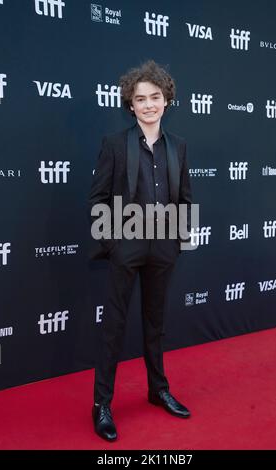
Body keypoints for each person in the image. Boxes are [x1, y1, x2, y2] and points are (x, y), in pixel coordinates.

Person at [88, 60, 193, 441]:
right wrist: (114, 246)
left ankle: (158, 389)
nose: (149, 104)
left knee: (156, 324)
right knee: (114, 326)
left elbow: (184, 199)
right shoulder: (115, 144)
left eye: (155, 97)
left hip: (164, 246)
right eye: (140, 99)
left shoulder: (179, 146)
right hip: (126, 244)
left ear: (167, 100)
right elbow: (98, 198)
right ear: (130, 105)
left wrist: (178, 244)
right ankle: (102, 404)